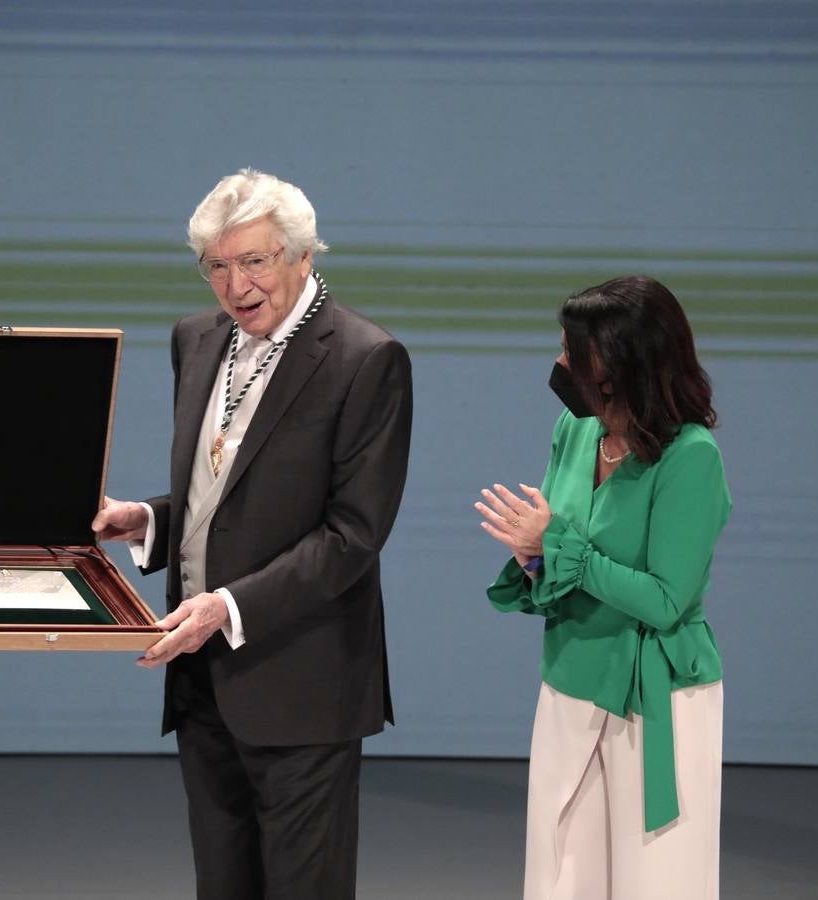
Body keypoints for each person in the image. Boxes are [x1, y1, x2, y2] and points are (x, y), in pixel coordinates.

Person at [92, 168, 412, 899]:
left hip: (304, 683)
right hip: (203, 681)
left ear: (303, 256)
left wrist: (225, 608)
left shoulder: (366, 359)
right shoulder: (196, 340)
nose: (236, 285)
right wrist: (150, 520)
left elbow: (351, 536)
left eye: (254, 261)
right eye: (217, 265)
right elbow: (230, 494)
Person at [476, 275, 730, 900]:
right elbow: (555, 561)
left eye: (571, 350)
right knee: (561, 873)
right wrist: (534, 559)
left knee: (657, 880)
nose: (559, 362)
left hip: (658, 696)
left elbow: (666, 600)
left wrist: (558, 547)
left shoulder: (690, 457)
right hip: (571, 679)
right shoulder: (576, 431)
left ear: (618, 365)